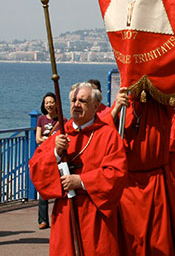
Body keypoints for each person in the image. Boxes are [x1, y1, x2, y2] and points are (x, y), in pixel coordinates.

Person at [29, 82, 127, 255]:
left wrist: (81, 181)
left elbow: (116, 173)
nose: (76, 105)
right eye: (74, 100)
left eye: (82, 101)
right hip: (66, 212)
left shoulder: (108, 134)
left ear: (96, 105)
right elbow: (36, 170)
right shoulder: (60, 134)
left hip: (96, 213)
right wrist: (55, 153)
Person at [110, 87, 175, 256]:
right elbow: (105, 133)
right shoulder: (123, 106)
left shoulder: (160, 105)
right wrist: (117, 107)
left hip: (155, 181)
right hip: (128, 185)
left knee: (158, 240)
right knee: (128, 239)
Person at [35, 92, 66, 230]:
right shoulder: (41, 119)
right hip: (45, 158)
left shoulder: (63, 121)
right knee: (43, 189)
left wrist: (46, 140)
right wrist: (52, 141)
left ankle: (61, 218)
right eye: (46, 102)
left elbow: (64, 138)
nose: (49, 105)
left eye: (51, 102)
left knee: (61, 188)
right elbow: (37, 138)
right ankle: (43, 220)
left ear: (56, 104)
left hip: (58, 157)